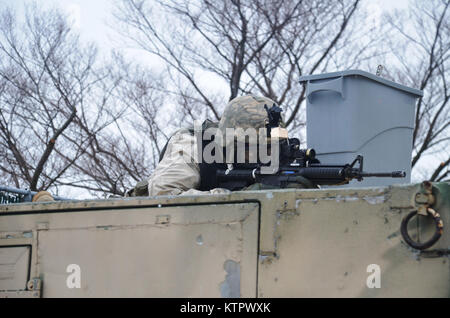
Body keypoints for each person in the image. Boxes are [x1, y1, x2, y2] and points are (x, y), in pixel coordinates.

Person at [126, 95, 313, 197]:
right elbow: (163, 195)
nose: (264, 155)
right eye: (253, 148)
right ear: (229, 141)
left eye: (271, 147)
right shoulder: (193, 144)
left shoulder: (278, 150)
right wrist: (241, 196)